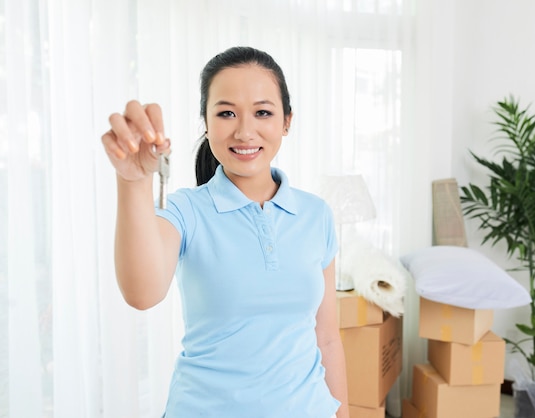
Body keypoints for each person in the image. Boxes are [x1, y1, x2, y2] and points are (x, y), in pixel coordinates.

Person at [101, 46, 350, 418]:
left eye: (263, 112)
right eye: (226, 113)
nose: (245, 131)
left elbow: (327, 337)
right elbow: (142, 293)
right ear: (205, 121)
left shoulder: (316, 215)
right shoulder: (185, 210)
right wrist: (134, 181)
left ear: (287, 121)